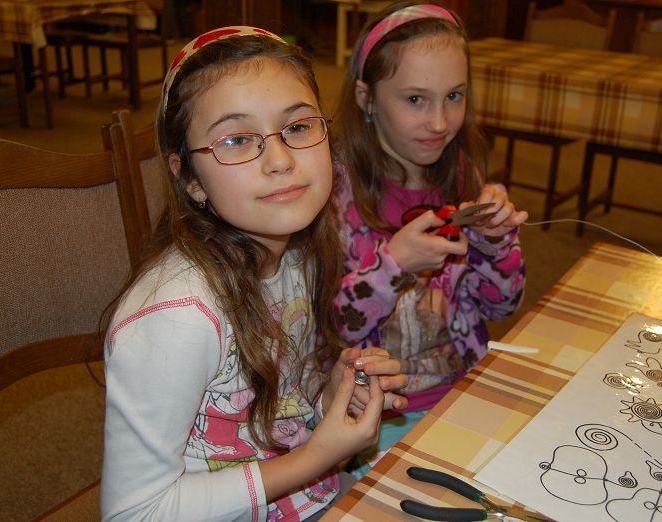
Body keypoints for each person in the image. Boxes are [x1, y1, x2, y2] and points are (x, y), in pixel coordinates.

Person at [100, 26, 408, 521]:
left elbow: (274, 409)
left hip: (308, 497)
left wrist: (330, 397)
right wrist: (316, 456)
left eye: (299, 127)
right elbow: (135, 513)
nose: (281, 160)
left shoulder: (297, 253)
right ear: (190, 179)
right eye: (237, 139)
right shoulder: (177, 318)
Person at [331, 1, 528, 476]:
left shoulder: (462, 176)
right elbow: (324, 330)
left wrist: (495, 244)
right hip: (371, 415)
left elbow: (503, 306)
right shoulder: (329, 194)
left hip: (462, 391)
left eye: (454, 96)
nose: (440, 123)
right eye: (416, 100)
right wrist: (394, 265)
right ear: (366, 99)